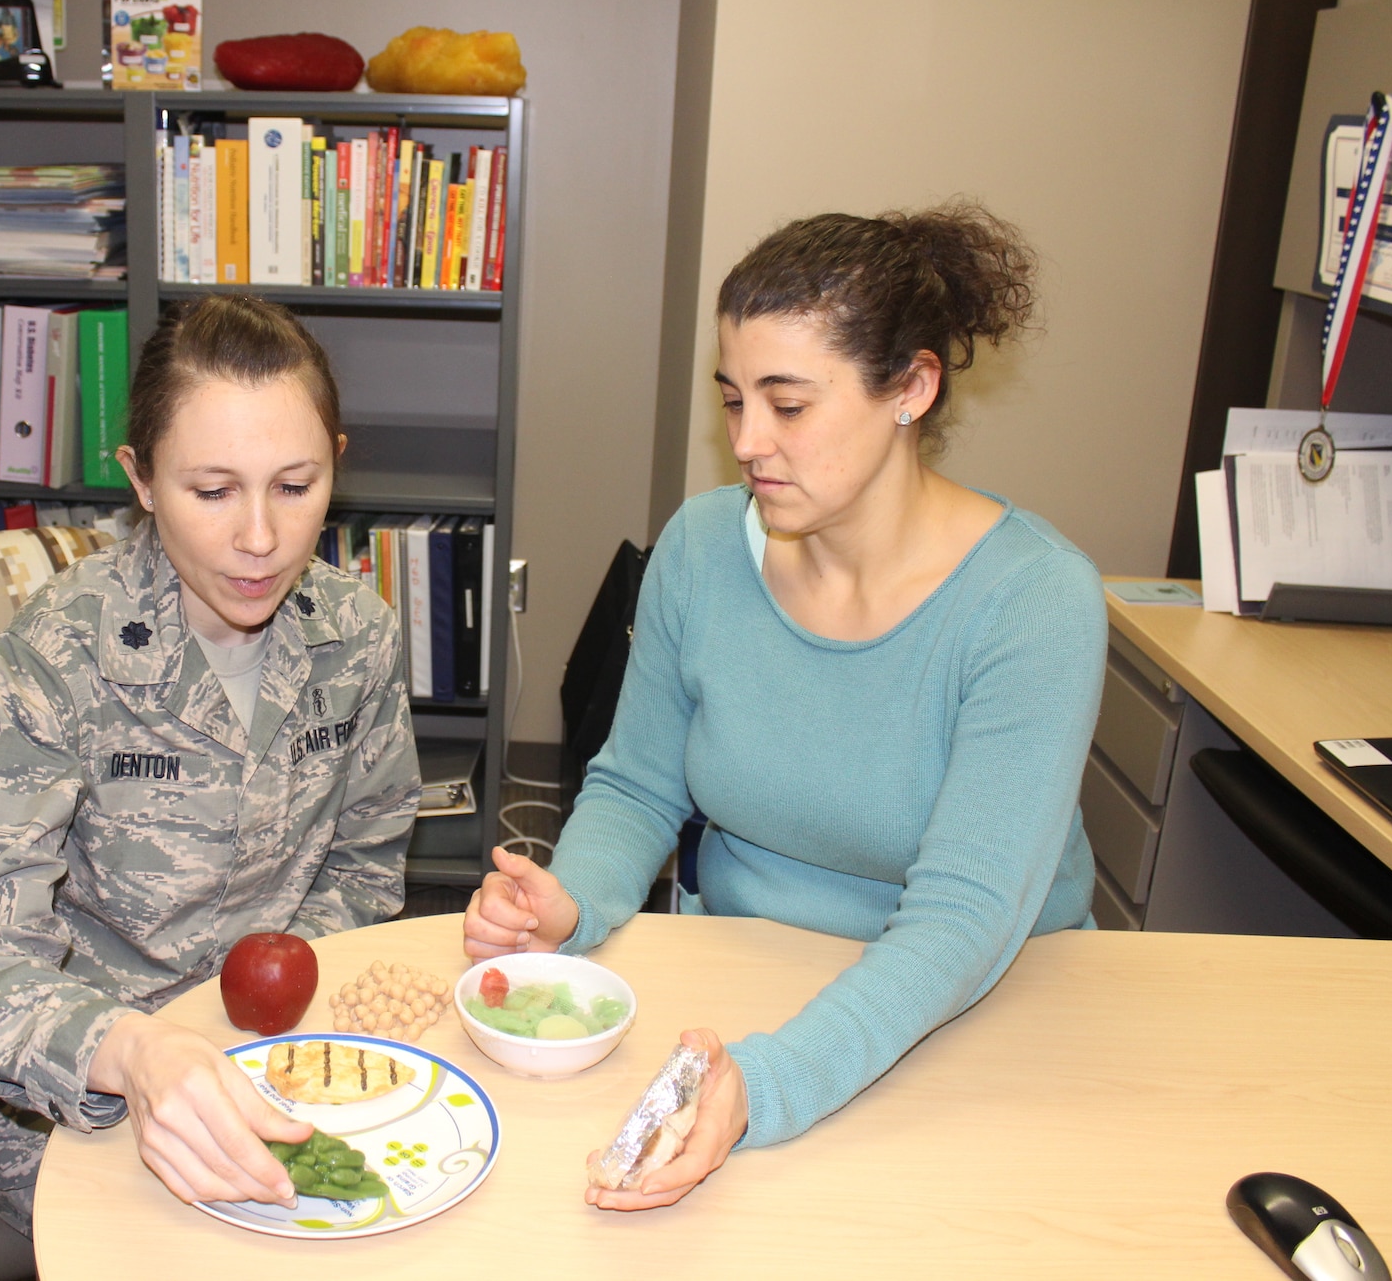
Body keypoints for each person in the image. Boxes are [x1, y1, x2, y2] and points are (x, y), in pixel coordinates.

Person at [465, 203, 1106, 1211]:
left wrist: (766, 1085)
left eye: (787, 405)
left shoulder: (1032, 602)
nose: (746, 442)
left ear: (911, 387)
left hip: (975, 1011)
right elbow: (636, 784)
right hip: (740, 983)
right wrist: (572, 899)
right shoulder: (702, 546)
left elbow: (962, 921)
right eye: (730, 402)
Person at [0, 295, 421, 1235]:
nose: (259, 536)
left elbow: (366, 862)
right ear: (140, 480)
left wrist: (268, 1016)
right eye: (212, 491)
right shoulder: (60, 655)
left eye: (295, 486)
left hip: (258, 1050)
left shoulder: (358, 635)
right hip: (49, 1103)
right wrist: (136, 1052)